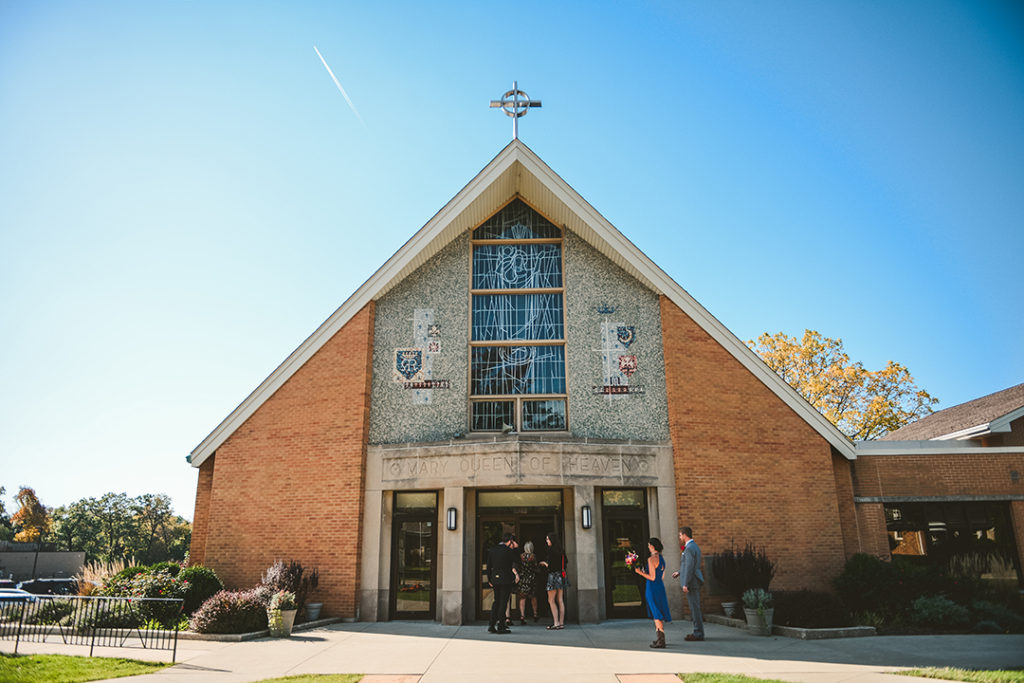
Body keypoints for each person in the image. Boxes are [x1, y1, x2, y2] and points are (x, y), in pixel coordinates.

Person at [634, 537, 672, 648]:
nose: (648, 547)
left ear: (653, 546)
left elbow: (652, 577)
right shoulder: (662, 559)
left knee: (656, 613)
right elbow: (662, 576)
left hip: (652, 588)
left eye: (649, 545)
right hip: (660, 587)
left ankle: (661, 640)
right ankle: (660, 638)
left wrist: (639, 572)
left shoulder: (651, 559)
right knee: (658, 611)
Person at [671, 526, 705, 641]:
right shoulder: (693, 546)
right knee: (695, 607)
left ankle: (698, 633)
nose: (679, 537)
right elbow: (688, 565)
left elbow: (690, 567)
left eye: (680, 535)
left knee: (694, 608)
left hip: (692, 582)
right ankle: (698, 632)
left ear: (684, 535)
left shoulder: (689, 548)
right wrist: (679, 572)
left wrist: (685, 583)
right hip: (693, 580)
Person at [486, 532, 518, 634]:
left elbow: (488, 566)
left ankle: (491, 624)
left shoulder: (492, 550)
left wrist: (489, 579)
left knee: (496, 601)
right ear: (510, 541)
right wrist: (516, 548)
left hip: (495, 579)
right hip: (506, 579)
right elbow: (517, 560)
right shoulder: (508, 551)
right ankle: (500, 625)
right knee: (503, 602)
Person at [539, 531, 568, 630]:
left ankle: (555, 623)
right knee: (560, 600)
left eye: (547, 539)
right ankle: (561, 623)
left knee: (551, 600)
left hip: (553, 576)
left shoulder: (551, 551)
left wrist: (545, 564)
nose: (546, 541)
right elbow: (566, 562)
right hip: (561, 576)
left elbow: (550, 567)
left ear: (551, 540)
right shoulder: (561, 550)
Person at [516, 540, 541, 624]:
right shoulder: (533, 557)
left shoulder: (521, 556)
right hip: (532, 579)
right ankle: (535, 614)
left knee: (522, 597)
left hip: (523, 579)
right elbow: (536, 567)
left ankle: (522, 616)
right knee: (533, 597)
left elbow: (518, 567)